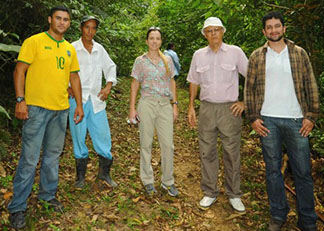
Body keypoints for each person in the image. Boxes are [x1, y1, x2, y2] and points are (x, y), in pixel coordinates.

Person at [8, 6, 84, 229]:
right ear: (50, 19)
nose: (62, 22)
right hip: (36, 109)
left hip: (60, 110)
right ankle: (18, 207)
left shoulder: (70, 49)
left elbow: (74, 78)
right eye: (58, 18)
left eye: (66, 20)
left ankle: (47, 195)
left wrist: (78, 105)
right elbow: (20, 70)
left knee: (53, 155)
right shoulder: (35, 41)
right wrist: (20, 100)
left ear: (69, 23)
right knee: (29, 159)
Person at [244, 11, 319, 231]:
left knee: (303, 171)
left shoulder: (299, 53)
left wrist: (311, 116)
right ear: (264, 31)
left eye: (277, 26)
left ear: (284, 29)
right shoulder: (257, 56)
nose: (274, 30)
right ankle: (278, 214)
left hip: (297, 121)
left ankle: (308, 219)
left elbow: (311, 84)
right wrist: (253, 118)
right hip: (268, 122)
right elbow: (249, 89)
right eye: (269, 27)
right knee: (273, 170)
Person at [187, 17, 248, 212]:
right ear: (205, 34)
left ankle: (234, 194)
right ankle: (210, 192)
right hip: (206, 108)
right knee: (207, 151)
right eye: (209, 31)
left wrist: (245, 102)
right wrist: (190, 107)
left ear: (223, 31)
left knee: (231, 152)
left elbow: (253, 76)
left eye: (216, 30)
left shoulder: (235, 52)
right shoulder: (198, 55)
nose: (213, 34)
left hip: (230, 109)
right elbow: (194, 82)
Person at [129, 27, 179, 197]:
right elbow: (135, 84)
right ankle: (147, 180)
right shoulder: (140, 61)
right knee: (146, 143)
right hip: (147, 104)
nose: (154, 41)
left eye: (158, 38)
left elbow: (172, 82)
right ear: (147, 41)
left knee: (168, 145)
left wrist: (174, 104)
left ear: (161, 41)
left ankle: (167, 181)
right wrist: (132, 108)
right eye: (151, 38)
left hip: (165, 104)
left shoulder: (168, 60)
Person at [69, 15, 118, 188]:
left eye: (93, 28)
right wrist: (67, 87)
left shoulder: (99, 49)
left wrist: (108, 86)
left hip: (96, 100)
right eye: (87, 27)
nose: (90, 31)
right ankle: (80, 177)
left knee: (102, 134)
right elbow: (64, 71)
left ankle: (104, 174)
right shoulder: (72, 48)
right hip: (77, 99)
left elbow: (110, 67)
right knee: (78, 135)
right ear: (81, 28)